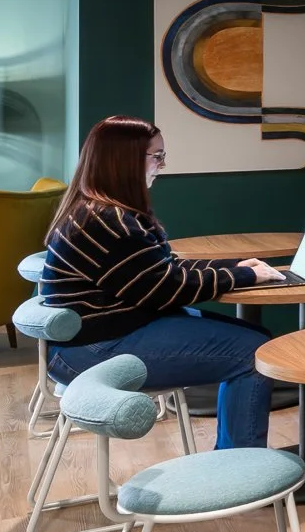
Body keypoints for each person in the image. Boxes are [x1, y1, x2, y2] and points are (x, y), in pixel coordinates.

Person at [39, 116, 284, 448]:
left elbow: (161, 272)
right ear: (125, 161)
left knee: (256, 339)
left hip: (100, 335)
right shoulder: (109, 222)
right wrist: (242, 275)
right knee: (254, 352)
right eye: (157, 156)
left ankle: (234, 458)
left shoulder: (98, 212)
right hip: (96, 349)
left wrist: (236, 267)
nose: (163, 165)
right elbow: (165, 290)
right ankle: (241, 467)